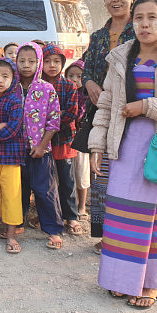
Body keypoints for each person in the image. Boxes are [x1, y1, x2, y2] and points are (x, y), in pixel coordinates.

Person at [88, 0, 157, 309]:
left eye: (152, 17)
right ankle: (121, 281)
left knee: (154, 219)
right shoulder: (120, 57)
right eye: (139, 18)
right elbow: (107, 104)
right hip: (123, 147)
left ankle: (150, 284)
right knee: (123, 216)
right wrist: (98, 145)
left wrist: (147, 106)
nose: (145, 24)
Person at [83, 0, 136, 252]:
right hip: (101, 111)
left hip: (130, 113)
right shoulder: (98, 36)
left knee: (126, 172)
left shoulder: (139, 32)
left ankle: (125, 234)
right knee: (100, 172)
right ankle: (106, 236)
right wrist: (89, 83)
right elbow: (87, 68)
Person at [16, 42, 64, 250]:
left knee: (45, 190)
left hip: (40, 150)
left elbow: (54, 121)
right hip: (15, 151)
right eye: (22, 61)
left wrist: (43, 145)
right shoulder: (11, 88)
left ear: (39, 63)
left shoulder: (46, 88)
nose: (26, 65)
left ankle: (53, 229)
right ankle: (17, 223)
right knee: (18, 189)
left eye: (31, 61)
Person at [0, 58, 25, 254]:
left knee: (11, 196)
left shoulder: (16, 100)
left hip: (11, 157)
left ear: (13, 78)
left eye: (5, 76)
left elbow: (13, 130)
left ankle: (11, 235)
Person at [42, 44, 81, 236]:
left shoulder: (69, 86)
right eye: (47, 61)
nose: (52, 65)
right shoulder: (37, 85)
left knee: (67, 180)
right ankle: (51, 216)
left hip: (64, 140)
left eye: (57, 61)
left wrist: (46, 118)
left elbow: (71, 114)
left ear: (63, 63)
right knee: (47, 182)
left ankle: (71, 217)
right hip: (43, 142)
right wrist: (55, 115)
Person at [65, 59, 90, 219]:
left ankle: (82, 206)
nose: (74, 79)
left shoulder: (87, 96)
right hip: (67, 140)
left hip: (81, 140)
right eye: (71, 75)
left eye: (79, 76)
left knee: (81, 174)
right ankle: (69, 206)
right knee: (68, 175)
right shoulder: (64, 92)